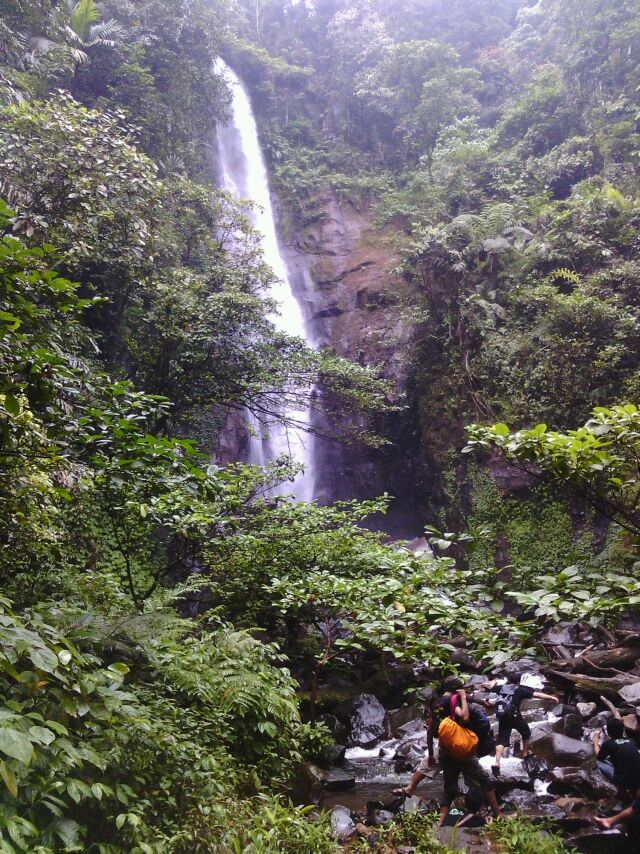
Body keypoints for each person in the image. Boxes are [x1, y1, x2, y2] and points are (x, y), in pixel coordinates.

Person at [394, 687, 503, 824]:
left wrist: (432, 753)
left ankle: (440, 820)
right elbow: (465, 716)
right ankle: (498, 813)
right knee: (486, 781)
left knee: (449, 787)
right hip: (463, 752)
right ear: (455, 691)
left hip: (445, 750)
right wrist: (463, 697)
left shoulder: (437, 705)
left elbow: (429, 732)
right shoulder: (455, 702)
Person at [486, 675, 559, 775]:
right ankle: (525, 753)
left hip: (503, 717)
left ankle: (497, 763)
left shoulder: (501, 688)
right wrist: (551, 697)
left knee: (502, 740)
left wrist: (494, 681)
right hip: (515, 716)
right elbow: (537, 694)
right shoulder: (520, 690)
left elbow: (491, 686)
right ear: (518, 682)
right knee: (526, 732)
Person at [594, 718, 640, 792]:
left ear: (608, 732)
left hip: (624, 782)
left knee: (599, 764)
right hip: (638, 779)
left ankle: (622, 788)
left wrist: (596, 741)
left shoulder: (608, 743)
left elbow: (599, 757)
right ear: (622, 730)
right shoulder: (631, 741)